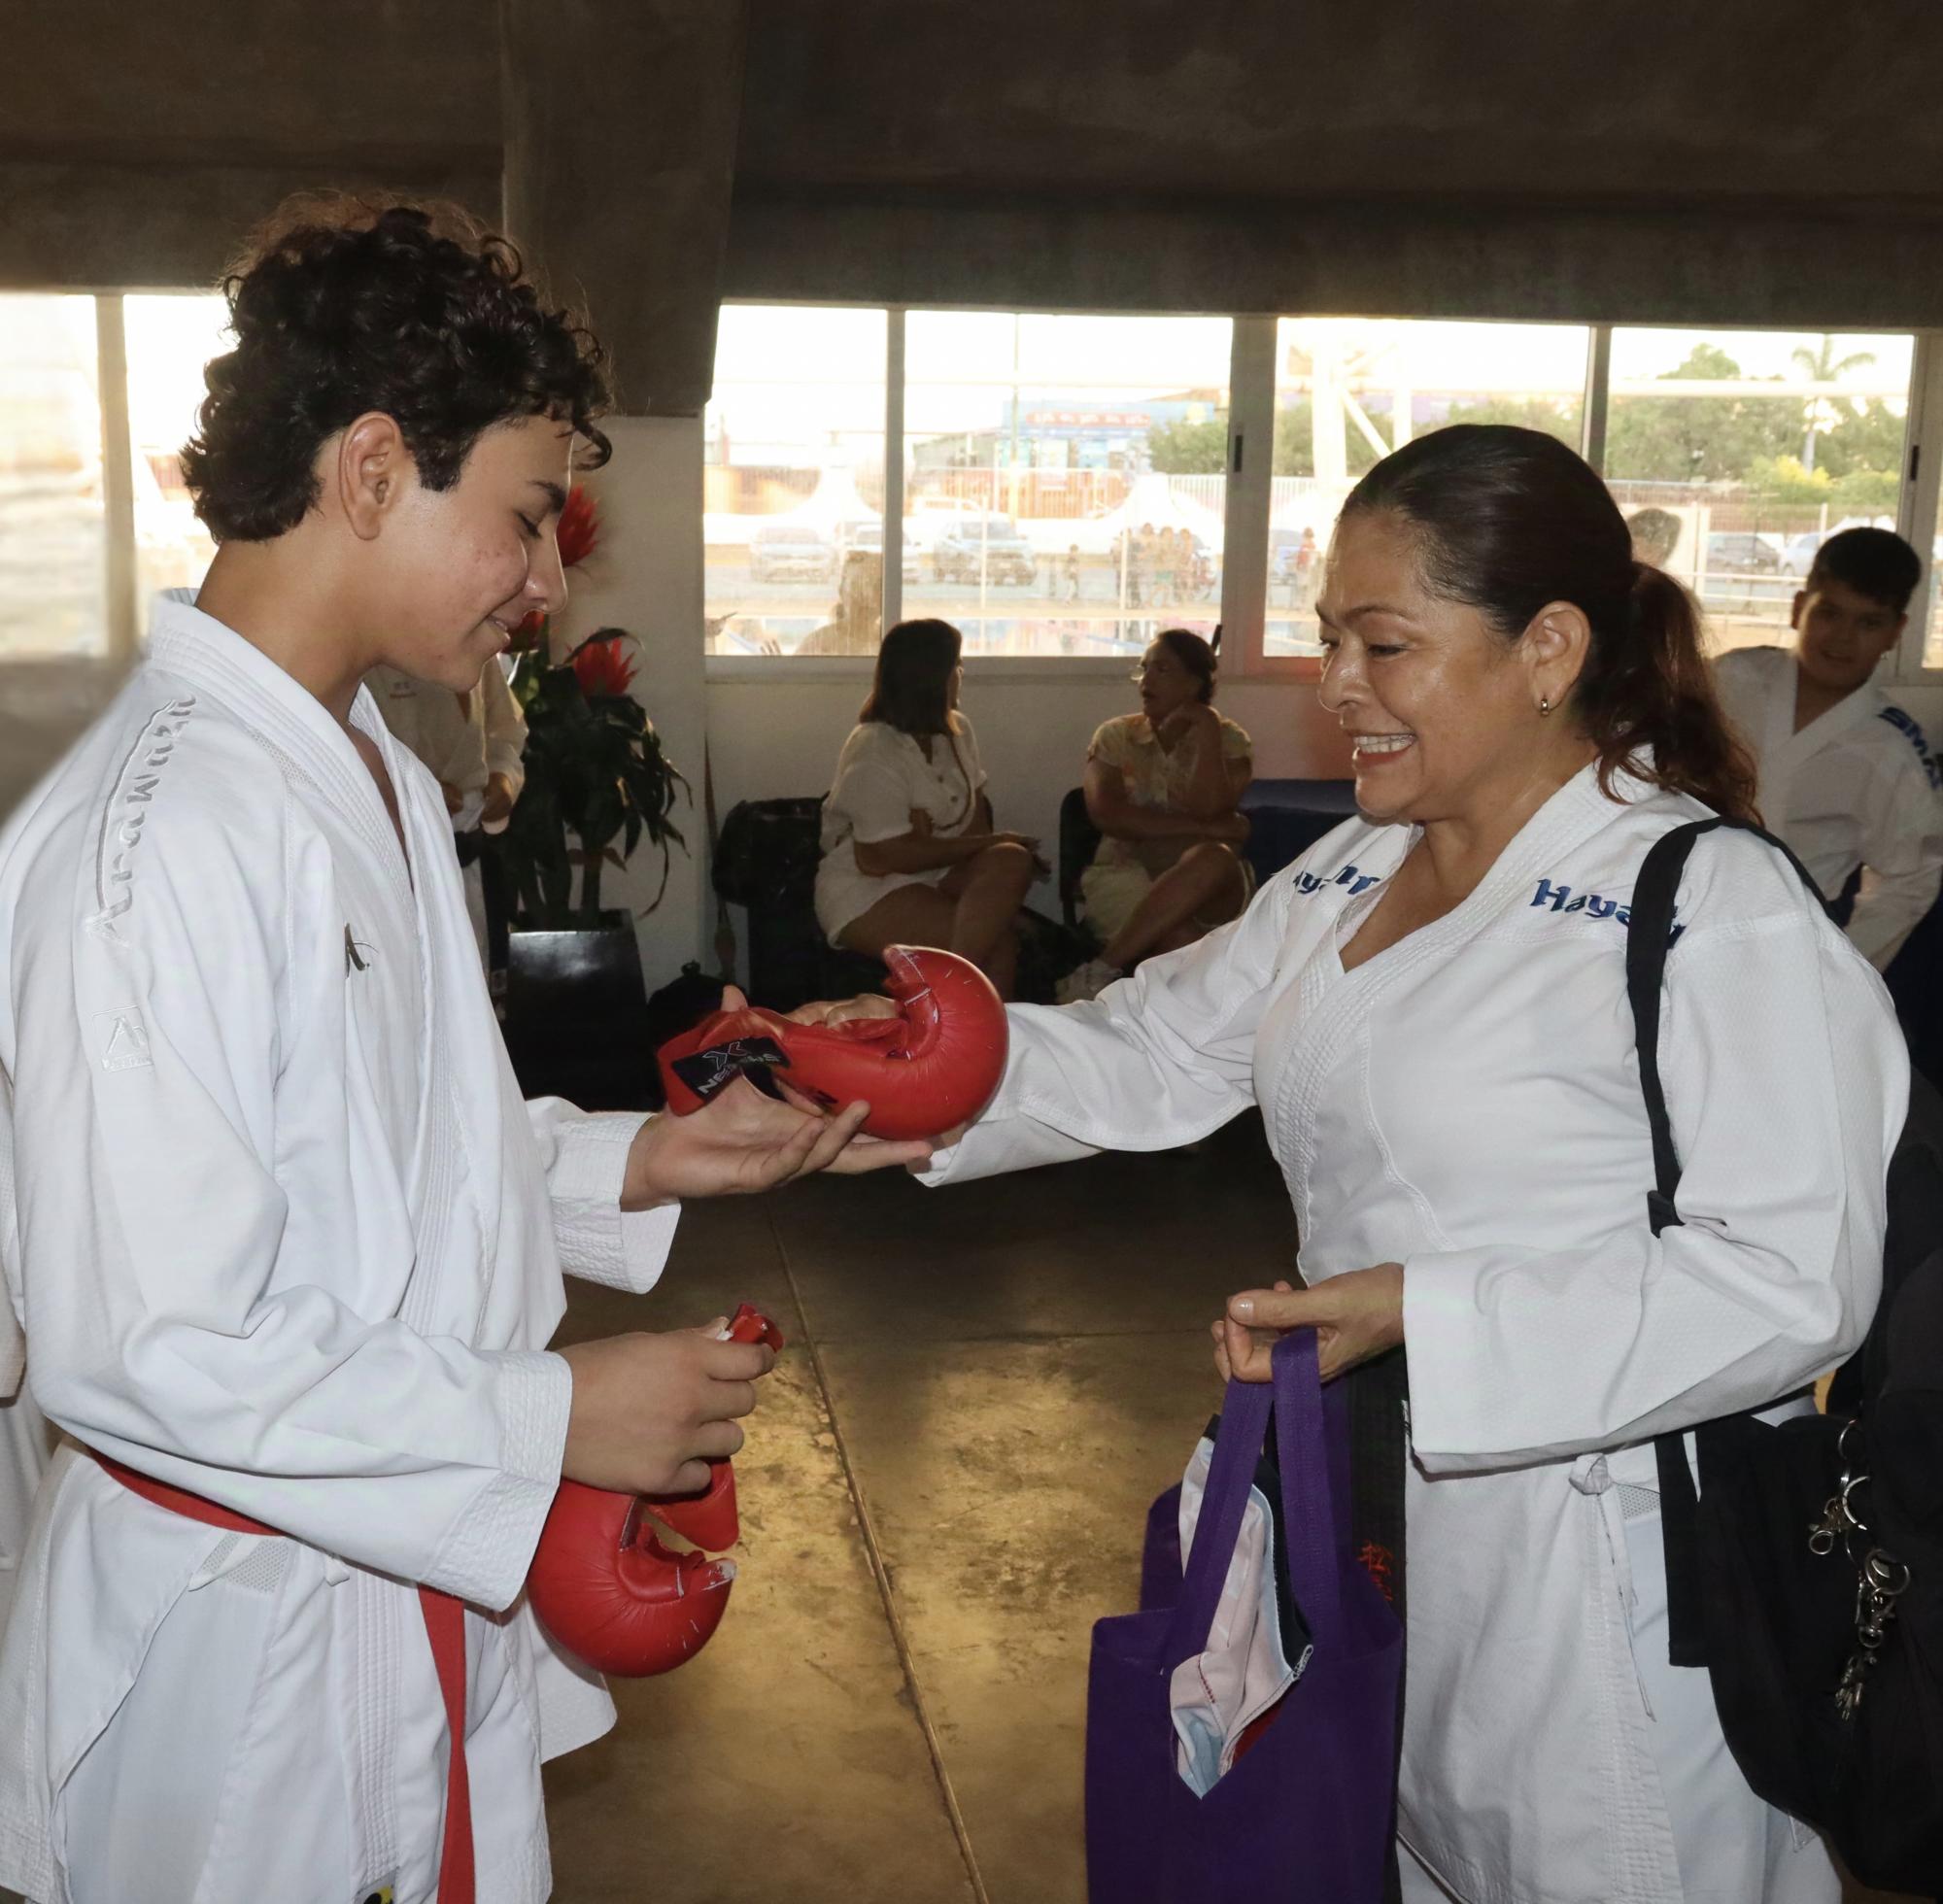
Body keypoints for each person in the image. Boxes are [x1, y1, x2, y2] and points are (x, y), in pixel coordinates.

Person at [0, 195, 931, 1904]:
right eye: (524, 517)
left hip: (391, 1566)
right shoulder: (159, 837)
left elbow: (385, 1149)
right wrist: (547, 1412)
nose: (550, 581)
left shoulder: (360, 755)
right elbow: (150, 1343)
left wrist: (641, 1156)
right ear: (371, 471)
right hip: (241, 1665)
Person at [880, 425, 1902, 1902]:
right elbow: (1154, 1048)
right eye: (1328, 640)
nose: (1335, 686)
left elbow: (1792, 1280)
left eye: (1383, 644)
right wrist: (908, 1072)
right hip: (1380, 1519)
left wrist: (1425, 1312)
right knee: (1411, 1844)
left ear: (1547, 649)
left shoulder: (1705, 904)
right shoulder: (1357, 868)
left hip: (1603, 1576)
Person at [1712, 527, 1943, 969]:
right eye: (1829, 613)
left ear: (1896, 632)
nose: (1842, 638)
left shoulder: (1891, 746)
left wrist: (1842, 966)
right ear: (1799, 607)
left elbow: (1910, 879)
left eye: (1869, 623)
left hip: (1796, 937)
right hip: (1677, 902)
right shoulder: (1730, 680)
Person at [814, 618, 1040, 999]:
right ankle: (957, 1003)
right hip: (868, 888)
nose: (961, 676)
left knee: (1012, 858)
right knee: (999, 944)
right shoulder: (873, 745)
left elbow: (974, 832)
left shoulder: (958, 731)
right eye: (957, 666)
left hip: (937, 872)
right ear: (933, 678)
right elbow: (880, 858)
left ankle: (948, 995)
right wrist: (984, 844)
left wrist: (994, 864)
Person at [1058, 629, 1252, 1003]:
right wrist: (1207, 828)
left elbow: (1212, 806)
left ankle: (1100, 970)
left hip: (1206, 882)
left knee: (1213, 856)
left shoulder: (1230, 740)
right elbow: (1109, 816)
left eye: (1161, 669)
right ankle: (1106, 978)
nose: (1146, 680)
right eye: (1144, 668)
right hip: (1124, 872)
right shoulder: (1116, 736)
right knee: (1176, 937)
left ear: (1194, 683)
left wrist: (1206, 727)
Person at [370, 655, 527, 969]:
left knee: (476, 973)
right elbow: (338, 742)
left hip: (470, 849)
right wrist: (415, 789)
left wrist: (503, 777)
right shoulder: (370, 647)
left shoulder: (481, 644)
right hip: (399, 862)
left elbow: (505, 729)